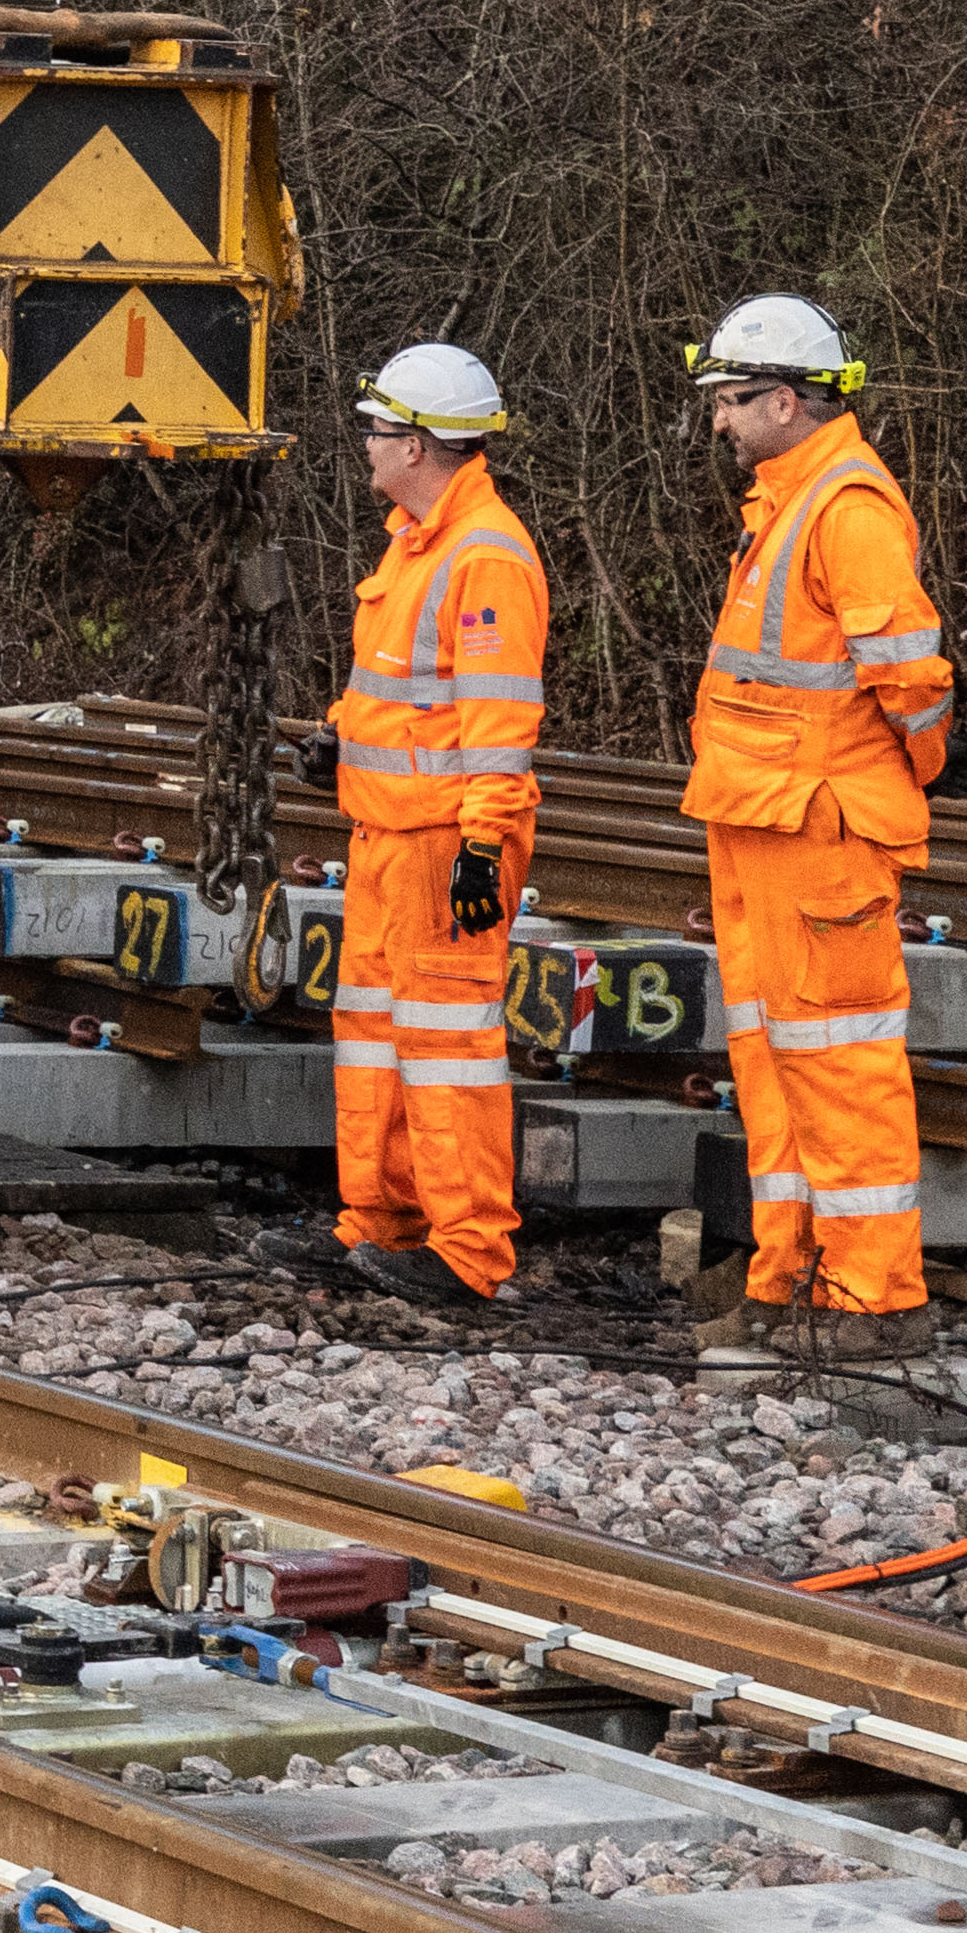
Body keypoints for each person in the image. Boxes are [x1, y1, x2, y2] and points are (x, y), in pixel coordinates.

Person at [683, 292, 956, 1329]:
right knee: (774, 1064)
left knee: (838, 1068)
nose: (720, 422)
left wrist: (909, 768)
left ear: (788, 402)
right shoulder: (789, 504)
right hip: (766, 820)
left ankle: (869, 1298)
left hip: (820, 828)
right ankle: (789, 1277)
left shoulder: (844, 507)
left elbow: (910, 676)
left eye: (733, 400)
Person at [325, 342, 545, 1304]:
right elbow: (407, 697)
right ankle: (379, 1224)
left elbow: (500, 727)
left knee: (449, 1048)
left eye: (376, 432)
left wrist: (482, 848)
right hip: (385, 835)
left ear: (416, 445)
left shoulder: (484, 557)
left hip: (445, 843)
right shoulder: (415, 543)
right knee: (375, 1036)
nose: (365, 447)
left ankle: (466, 1255)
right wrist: (335, 737)